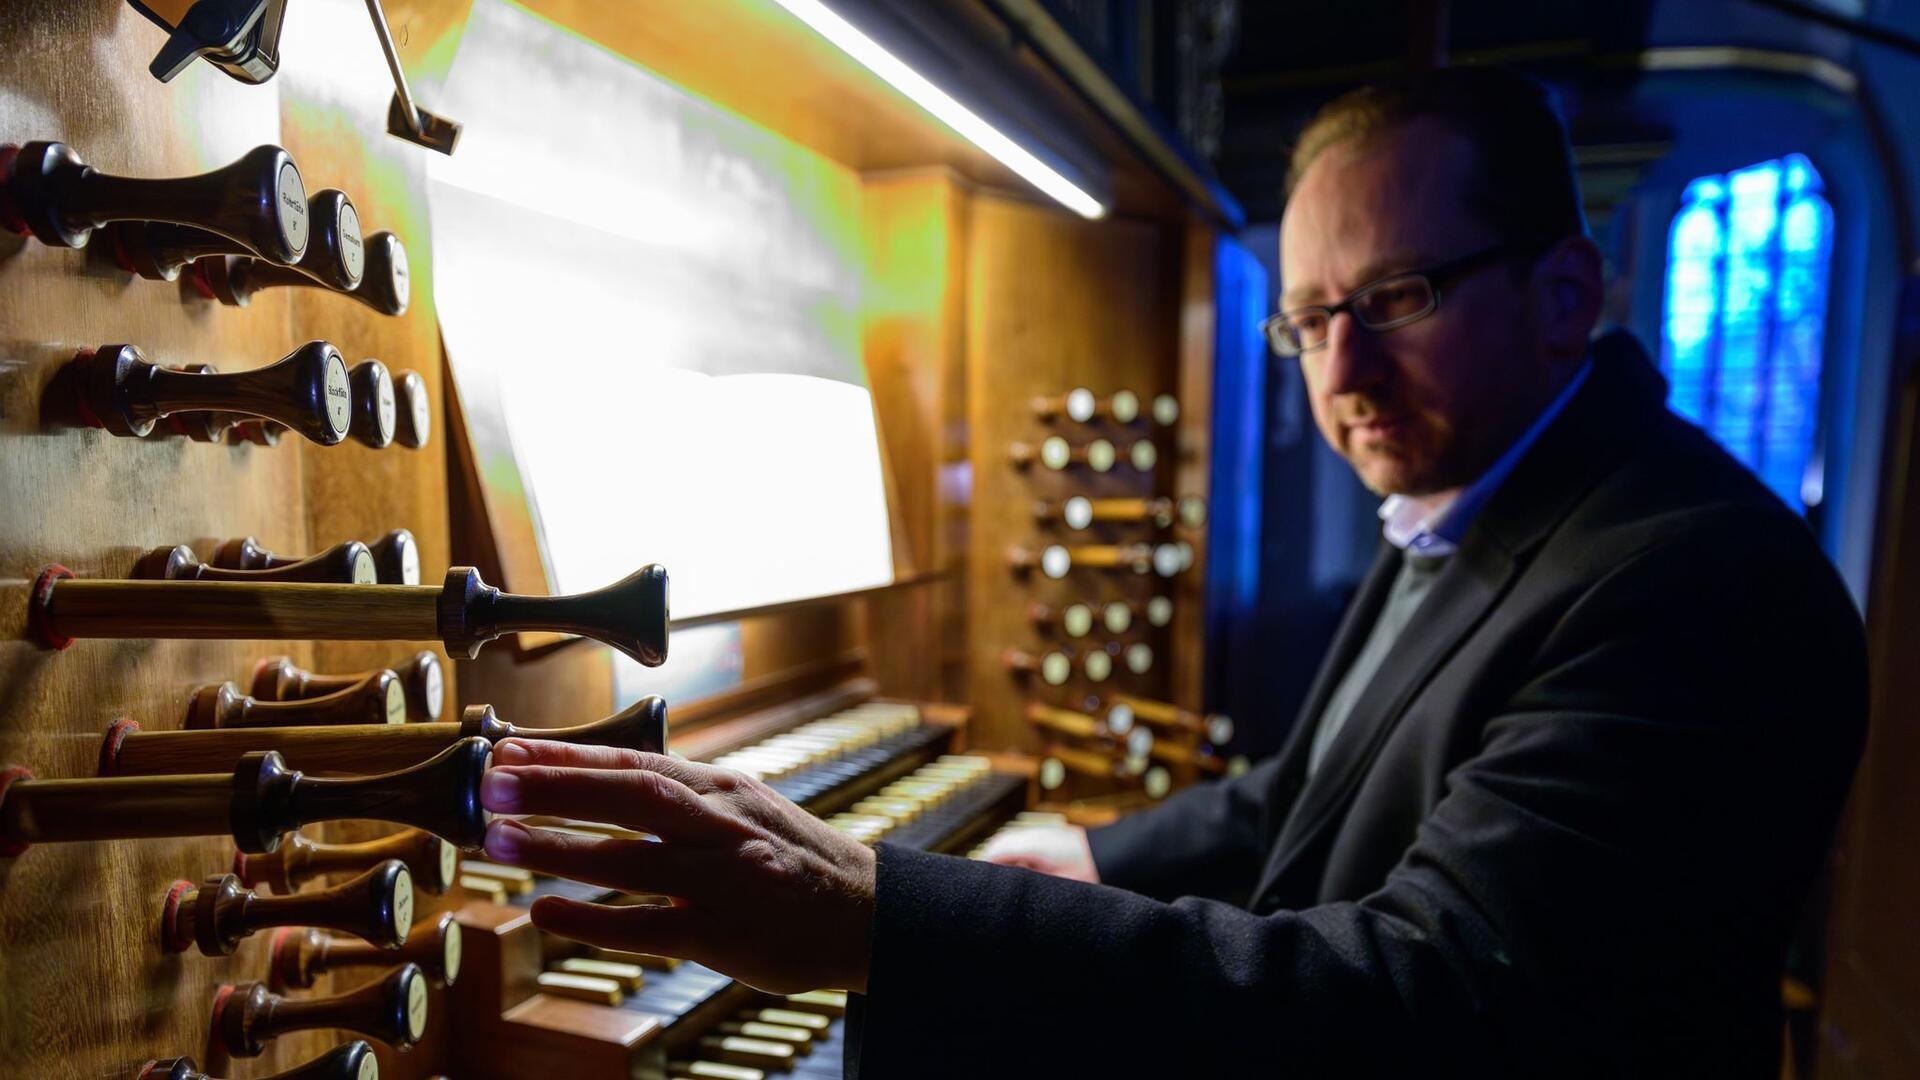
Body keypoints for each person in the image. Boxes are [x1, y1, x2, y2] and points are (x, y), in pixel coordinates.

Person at [474, 67, 1867, 1077]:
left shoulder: (1688, 581)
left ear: (1566, 293)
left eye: (1396, 300)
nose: (1345, 375)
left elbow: (1437, 1000)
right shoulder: (1484, 486)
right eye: (1313, 320)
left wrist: (894, 914)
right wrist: (1086, 852)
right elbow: (1306, 794)